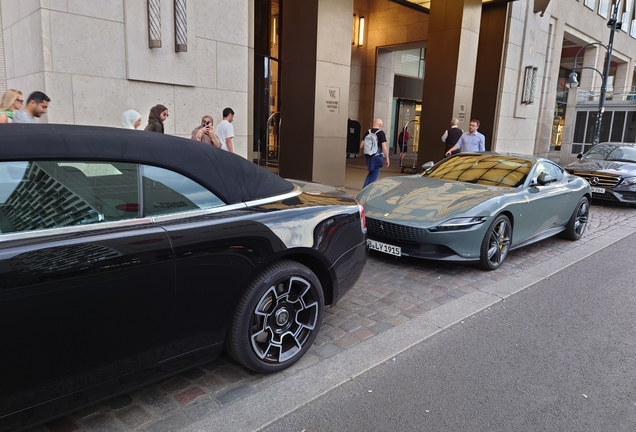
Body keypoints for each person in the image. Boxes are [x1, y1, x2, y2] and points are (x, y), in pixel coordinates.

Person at [360, 118, 390, 188]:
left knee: (371, 173)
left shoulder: (368, 132)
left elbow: (361, 146)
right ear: (380, 125)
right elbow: (384, 148)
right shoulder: (381, 133)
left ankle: (364, 189)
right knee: (374, 176)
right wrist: (387, 158)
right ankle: (366, 192)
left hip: (369, 157)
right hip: (377, 157)